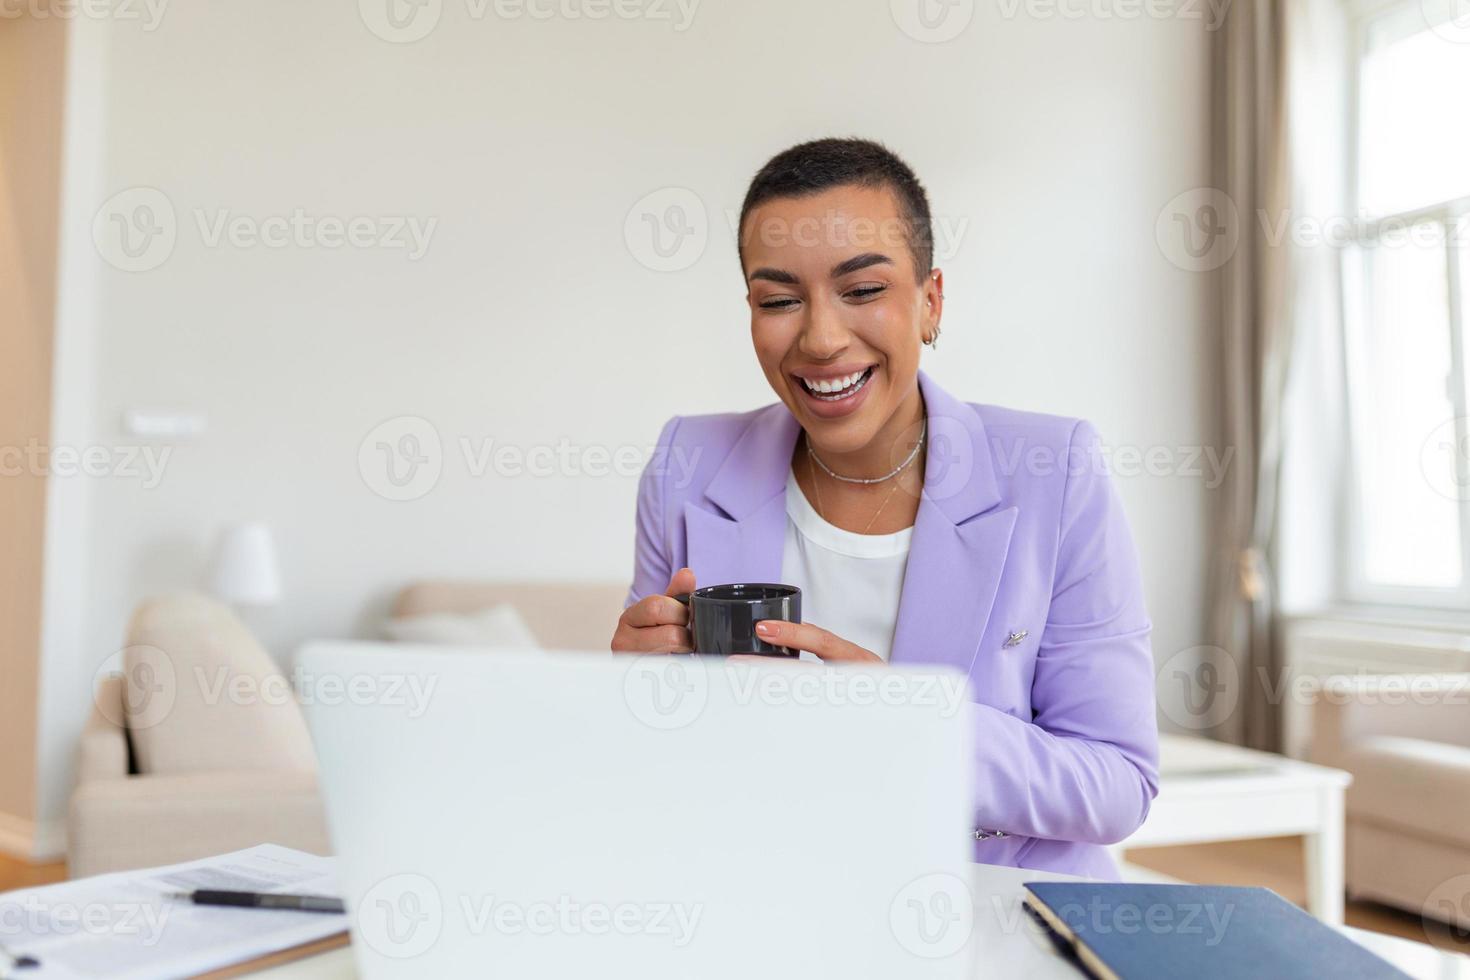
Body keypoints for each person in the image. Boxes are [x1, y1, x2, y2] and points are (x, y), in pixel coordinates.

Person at [611, 137, 1158, 879]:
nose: (822, 338)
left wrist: (903, 724)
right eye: (778, 300)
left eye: (863, 290)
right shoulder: (687, 465)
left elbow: (1117, 785)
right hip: (764, 892)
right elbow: (663, 771)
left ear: (930, 302)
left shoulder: (1055, 472)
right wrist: (630, 697)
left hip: (991, 911)